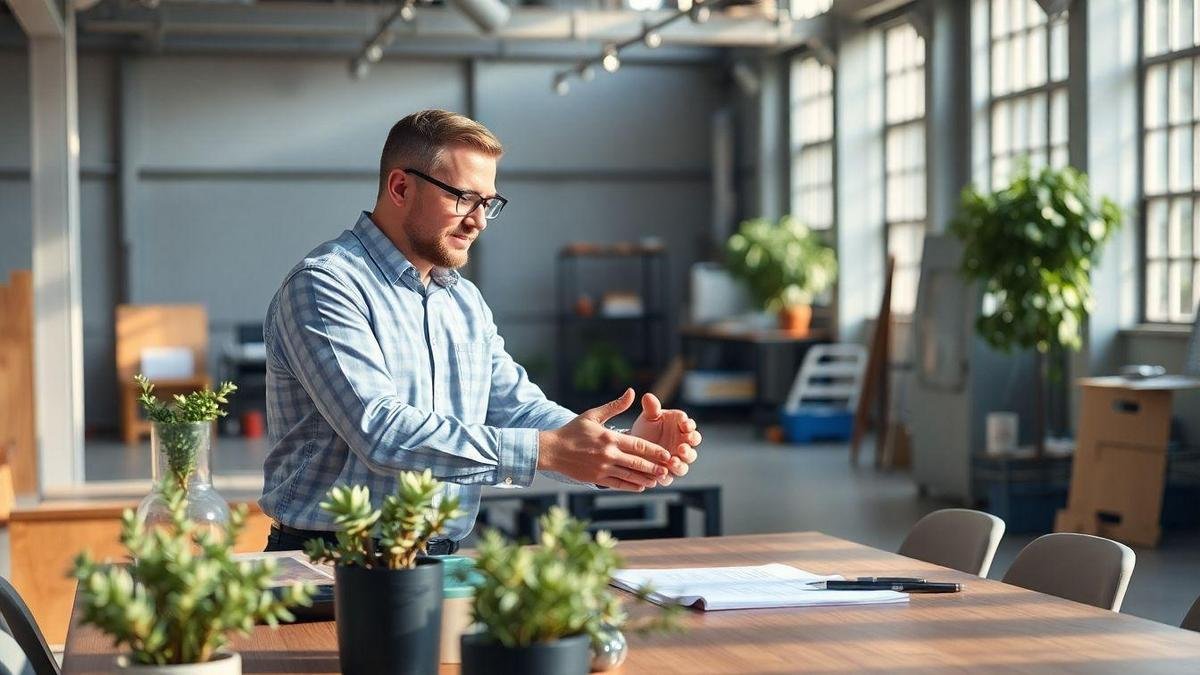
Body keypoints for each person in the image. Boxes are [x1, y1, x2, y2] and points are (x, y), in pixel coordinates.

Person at [260, 109, 702, 553]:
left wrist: (618, 449)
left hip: (438, 562)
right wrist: (546, 452)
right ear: (400, 187)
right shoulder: (324, 285)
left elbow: (516, 407)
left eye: (488, 203)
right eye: (463, 198)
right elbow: (380, 432)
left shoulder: (462, 301)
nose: (479, 221)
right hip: (325, 564)